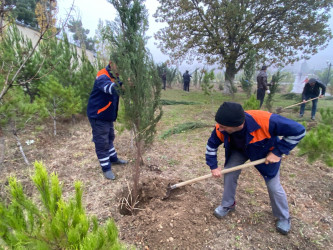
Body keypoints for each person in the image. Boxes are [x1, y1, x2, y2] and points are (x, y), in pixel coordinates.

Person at [205, 102, 306, 235]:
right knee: (229, 172)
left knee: (273, 186)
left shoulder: (267, 121)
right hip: (240, 150)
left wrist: (278, 151)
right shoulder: (221, 127)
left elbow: (299, 130)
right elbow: (211, 145)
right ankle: (228, 204)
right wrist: (213, 166)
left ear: (237, 125)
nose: (219, 129)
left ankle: (283, 217)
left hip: (264, 151)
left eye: (223, 127)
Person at [87, 60, 128, 180]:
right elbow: (111, 89)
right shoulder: (102, 75)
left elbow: (120, 89)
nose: (120, 69)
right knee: (102, 141)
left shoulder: (115, 76)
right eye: (118, 65)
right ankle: (106, 168)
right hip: (98, 115)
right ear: (111, 63)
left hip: (107, 115)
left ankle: (113, 159)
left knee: (110, 137)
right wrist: (124, 86)